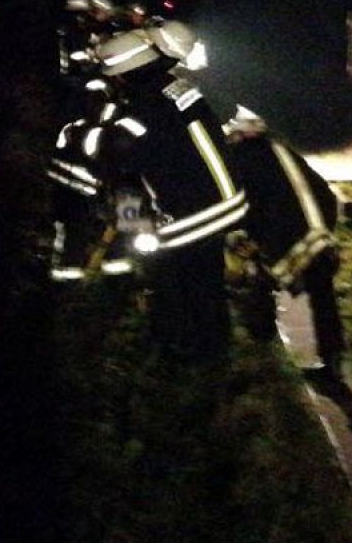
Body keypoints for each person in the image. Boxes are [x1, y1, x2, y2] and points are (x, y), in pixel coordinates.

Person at [93, 25, 248, 360]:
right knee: (208, 282)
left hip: (190, 215)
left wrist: (81, 135)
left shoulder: (139, 110)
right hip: (226, 202)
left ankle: (176, 349)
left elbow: (117, 158)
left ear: (123, 74)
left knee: (171, 281)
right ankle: (215, 351)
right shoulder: (178, 87)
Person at [222, 106, 347, 384]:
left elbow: (245, 206)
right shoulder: (283, 150)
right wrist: (324, 231)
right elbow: (323, 192)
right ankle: (333, 358)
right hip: (318, 235)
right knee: (323, 297)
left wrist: (249, 242)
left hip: (282, 238)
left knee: (260, 282)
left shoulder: (239, 159)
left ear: (238, 135)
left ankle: (265, 348)